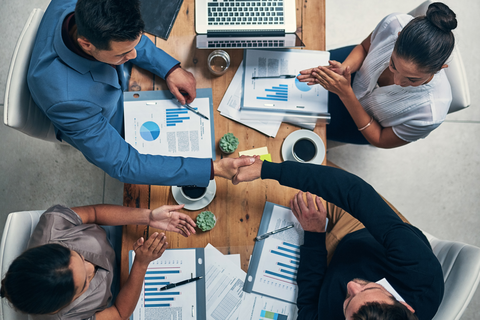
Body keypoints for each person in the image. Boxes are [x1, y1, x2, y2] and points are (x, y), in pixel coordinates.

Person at [27, 0, 253, 186]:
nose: (134, 55)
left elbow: (126, 40)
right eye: (123, 53)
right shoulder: (65, 100)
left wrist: (169, 68)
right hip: (107, 121)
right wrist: (212, 168)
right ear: (87, 45)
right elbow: (124, 164)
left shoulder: (94, 14)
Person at [233, 159, 444, 319]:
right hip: (360, 232)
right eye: (370, 288)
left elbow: (308, 307)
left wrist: (314, 235)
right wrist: (267, 169)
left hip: (325, 259)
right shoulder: (420, 272)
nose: (351, 286)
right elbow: (355, 192)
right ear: (405, 305)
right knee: (296, 180)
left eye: (347, 302)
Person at [298, 2, 457, 148]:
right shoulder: (394, 24)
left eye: (412, 79)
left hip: (364, 121)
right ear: (398, 36)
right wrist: (344, 69)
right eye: (393, 65)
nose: (397, 81)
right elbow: (364, 48)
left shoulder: (429, 115)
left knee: (297, 126)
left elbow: (380, 139)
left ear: (439, 69)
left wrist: (346, 94)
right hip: (354, 68)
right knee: (294, 70)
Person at [0, 203, 196, 319]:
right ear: (60, 308)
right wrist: (141, 264)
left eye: (79, 256)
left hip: (120, 233)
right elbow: (119, 313)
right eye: (86, 282)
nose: (91, 267)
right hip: (127, 288)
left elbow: (93, 212)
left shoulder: (53, 224)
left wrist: (148, 217)